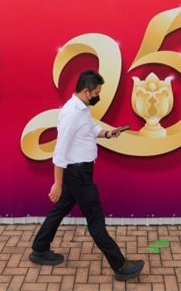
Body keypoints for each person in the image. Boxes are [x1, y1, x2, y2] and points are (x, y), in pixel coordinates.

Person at [29, 69, 145, 282]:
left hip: (80, 172)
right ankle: (120, 266)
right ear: (85, 91)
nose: (98, 96)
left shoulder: (82, 109)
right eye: (97, 92)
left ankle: (39, 248)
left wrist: (108, 134)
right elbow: (60, 151)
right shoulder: (71, 114)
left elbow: (91, 129)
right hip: (78, 175)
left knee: (59, 210)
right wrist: (57, 183)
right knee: (96, 221)